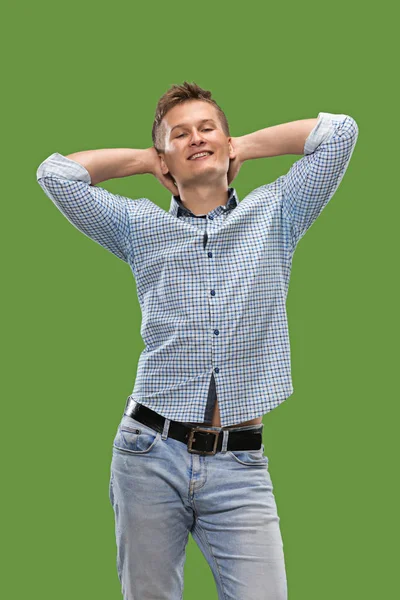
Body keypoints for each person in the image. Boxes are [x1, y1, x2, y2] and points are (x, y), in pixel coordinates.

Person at [36, 81, 359, 600]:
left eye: (207, 128)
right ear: (167, 159)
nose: (195, 139)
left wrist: (243, 145)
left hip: (240, 465)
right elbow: (57, 174)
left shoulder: (277, 213)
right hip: (148, 452)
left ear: (227, 140)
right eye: (179, 135)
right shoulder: (138, 225)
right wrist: (147, 159)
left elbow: (339, 132)